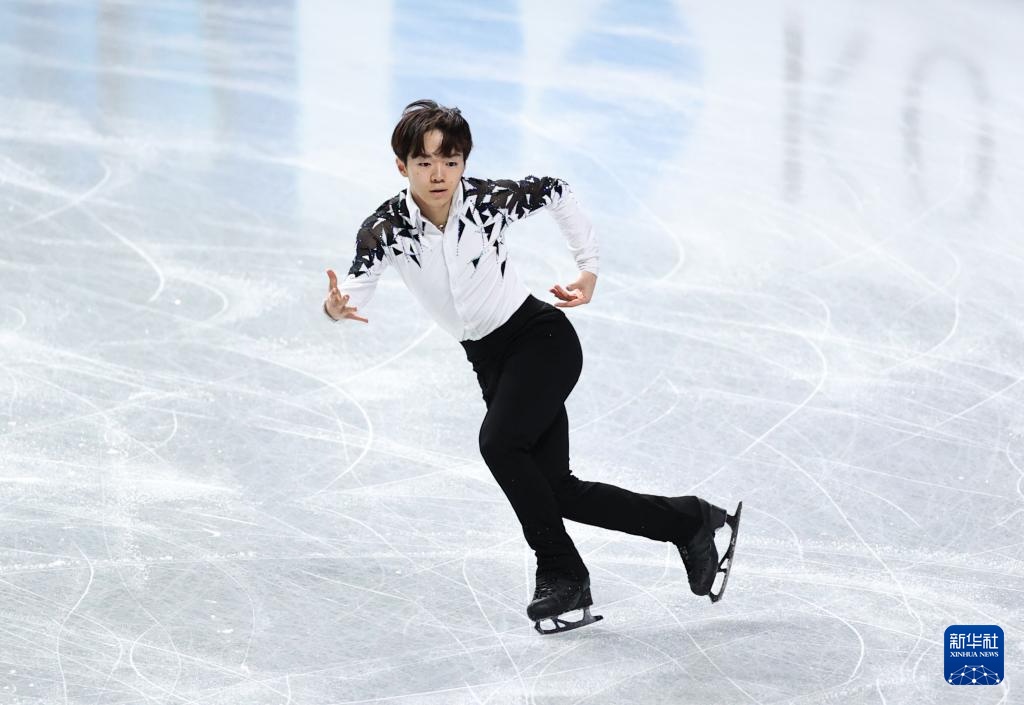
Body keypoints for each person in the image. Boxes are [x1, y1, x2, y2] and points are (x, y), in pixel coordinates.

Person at [323, 99, 741, 634]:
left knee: (499, 445)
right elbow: (355, 286)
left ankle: (562, 571)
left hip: (541, 341)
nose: (438, 174)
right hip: (490, 364)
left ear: (464, 162)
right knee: (555, 490)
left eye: (451, 161)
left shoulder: (485, 202)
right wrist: (336, 307)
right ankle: (689, 521)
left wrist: (588, 269)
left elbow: (554, 190)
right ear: (401, 165)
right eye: (424, 162)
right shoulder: (386, 227)